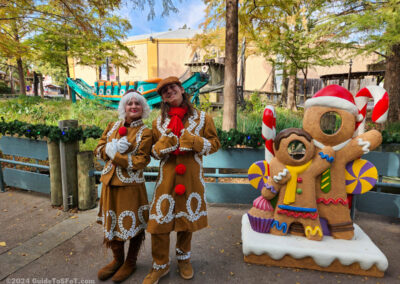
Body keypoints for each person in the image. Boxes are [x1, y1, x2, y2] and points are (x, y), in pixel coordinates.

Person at [143, 76, 221, 284]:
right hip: (166, 179)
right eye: (164, 91)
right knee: (159, 221)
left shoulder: (203, 118)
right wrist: (163, 144)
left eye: (172, 87)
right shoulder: (157, 123)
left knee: (186, 221)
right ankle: (160, 265)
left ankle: (183, 259)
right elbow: (153, 152)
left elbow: (215, 144)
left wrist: (193, 141)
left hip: (191, 178)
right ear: (163, 99)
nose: (169, 91)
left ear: (181, 89)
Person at [94, 90, 152, 282]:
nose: (133, 106)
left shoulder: (146, 132)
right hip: (109, 184)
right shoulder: (112, 126)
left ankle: (130, 261)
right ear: (123, 107)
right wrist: (107, 150)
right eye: (129, 103)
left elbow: (142, 160)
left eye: (137, 103)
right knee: (112, 223)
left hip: (131, 186)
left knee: (133, 224)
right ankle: (117, 260)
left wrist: (117, 155)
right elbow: (98, 149)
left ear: (143, 108)